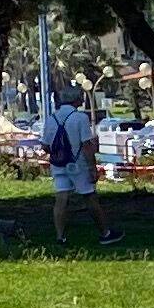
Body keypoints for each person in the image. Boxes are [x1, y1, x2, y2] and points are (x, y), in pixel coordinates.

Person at [40, 83, 115, 246]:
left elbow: (45, 146)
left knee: (61, 199)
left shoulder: (50, 119)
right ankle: (105, 233)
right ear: (75, 100)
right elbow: (87, 146)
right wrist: (92, 168)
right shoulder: (80, 118)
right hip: (78, 164)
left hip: (58, 164)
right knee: (89, 197)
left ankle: (60, 237)